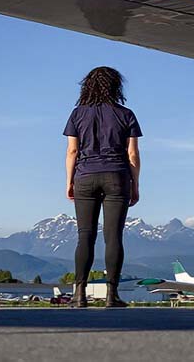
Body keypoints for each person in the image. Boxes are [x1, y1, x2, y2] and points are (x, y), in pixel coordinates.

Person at [63, 66, 142, 308]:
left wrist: (70, 181)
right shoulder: (126, 114)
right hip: (117, 176)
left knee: (85, 236)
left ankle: (79, 294)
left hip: (85, 176)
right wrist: (135, 184)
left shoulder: (77, 114)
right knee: (113, 236)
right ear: (116, 87)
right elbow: (132, 154)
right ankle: (112, 295)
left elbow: (72, 151)